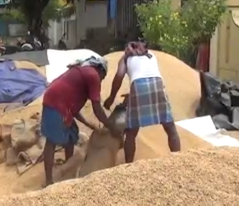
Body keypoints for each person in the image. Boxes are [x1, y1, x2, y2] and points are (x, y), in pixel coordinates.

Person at [40, 57, 115, 187]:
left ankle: (68, 168)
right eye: (103, 77)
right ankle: (48, 181)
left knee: (72, 134)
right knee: (51, 141)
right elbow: (97, 108)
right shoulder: (93, 75)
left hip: (61, 104)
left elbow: (74, 109)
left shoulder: (83, 72)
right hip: (55, 103)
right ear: (100, 70)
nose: (101, 80)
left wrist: (88, 124)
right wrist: (111, 127)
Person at [104, 39, 181, 163]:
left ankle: (129, 165)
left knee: (131, 131)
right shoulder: (150, 55)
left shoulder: (125, 58)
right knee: (170, 127)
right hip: (158, 84)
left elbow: (119, 76)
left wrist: (111, 98)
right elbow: (148, 77)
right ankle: (178, 160)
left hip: (138, 86)